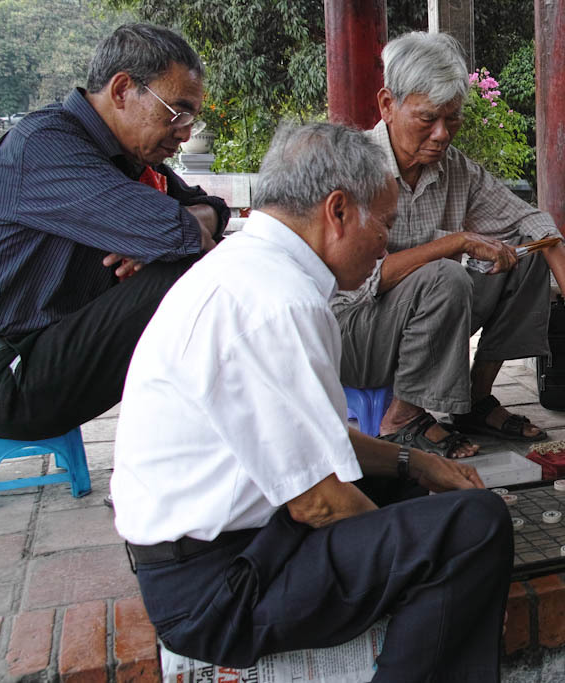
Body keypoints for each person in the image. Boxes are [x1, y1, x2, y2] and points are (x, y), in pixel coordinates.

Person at [111, 122, 514, 679]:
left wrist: (415, 461)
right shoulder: (280, 301)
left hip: (224, 551)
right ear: (339, 211)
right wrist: (400, 552)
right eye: (387, 225)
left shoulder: (250, 268)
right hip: (219, 591)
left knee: (409, 489)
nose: (387, 246)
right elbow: (317, 502)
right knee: (475, 528)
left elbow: (311, 442)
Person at [332, 31, 565, 458]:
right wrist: (455, 242)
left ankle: (475, 402)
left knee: (526, 254)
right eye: (427, 119)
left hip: (424, 319)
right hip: (355, 335)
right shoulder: (353, 167)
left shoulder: (455, 168)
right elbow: (366, 282)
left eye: (452, 118)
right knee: (445, 273)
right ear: (388, 105)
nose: (442, 134)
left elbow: (533, 222)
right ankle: (401, 418)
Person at [0, 23, 228, 441]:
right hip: (9, 369)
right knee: (200, 271)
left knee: (201, 266)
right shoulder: (46, 145)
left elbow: (213, 210)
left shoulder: (127, 155)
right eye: (177, 112)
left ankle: (191, 442)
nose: (186, 132)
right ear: (122, 91)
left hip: (52, 342)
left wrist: (181, 226)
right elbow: (177, 231)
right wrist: (167, 234)